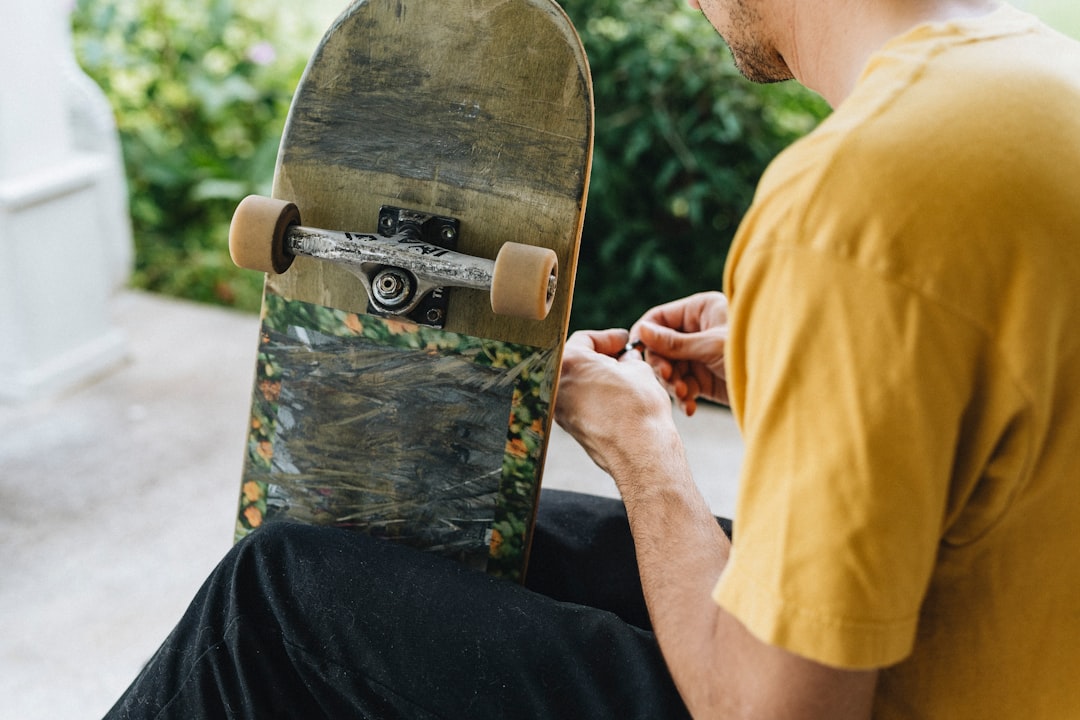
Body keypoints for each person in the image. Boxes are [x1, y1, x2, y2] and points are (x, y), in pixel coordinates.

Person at [106, 0, 1080, 718]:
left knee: (279, 593)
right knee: (443, 543)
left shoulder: (859, 201)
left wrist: (645, 453)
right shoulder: (1039, 83)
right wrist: (800, 355)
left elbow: (771, 714)